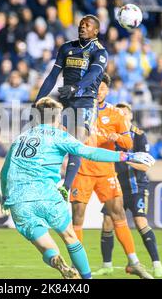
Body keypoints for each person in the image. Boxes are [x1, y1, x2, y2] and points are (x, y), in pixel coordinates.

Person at [0, 97, 155, 279]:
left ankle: (57, 261)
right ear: (57, 118)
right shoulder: (59, 136)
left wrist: (5, 197)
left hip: (19, 200)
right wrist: (126, 156)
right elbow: (90, 152)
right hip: (48, 197)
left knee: (46, 246)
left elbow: (4, 171)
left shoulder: (20, 138)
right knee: (70, 237)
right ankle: (86, 279)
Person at [71, 75, 153, 279]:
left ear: (108, 91)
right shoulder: (78, 111)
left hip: (106, 171)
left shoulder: (116, 114)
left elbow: (128, 144)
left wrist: (118, 138)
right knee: (77, 218)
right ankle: (78, 268)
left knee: (119, 215)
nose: (99, 91)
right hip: (82, 170)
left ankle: (133, 262)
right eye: (96, 87)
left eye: (103, 88)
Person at [34, 14, 109, 199]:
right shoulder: (67, 48)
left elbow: (93, 74)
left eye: (87, 25)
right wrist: (38, 100)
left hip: (85, 102)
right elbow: (52, 76)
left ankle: (66, 187)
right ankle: (44, 179)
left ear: (96, 31)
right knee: (51, 139)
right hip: (66, 101)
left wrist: (76, 87)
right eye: (81, 24)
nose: (82, 27)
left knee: (76, 142)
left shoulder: (100, 52)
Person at [94, 102, 162, 278]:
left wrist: (124, 159)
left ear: (131, 116)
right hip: (115, 185)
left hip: (136, 186)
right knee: (107, 222)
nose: (122, 117)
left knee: (140, 222)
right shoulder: (110, 134)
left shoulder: (139, 136)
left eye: (125, 114)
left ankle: (157, 263)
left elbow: (145, 165)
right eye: (119, 114)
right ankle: (107, 266)